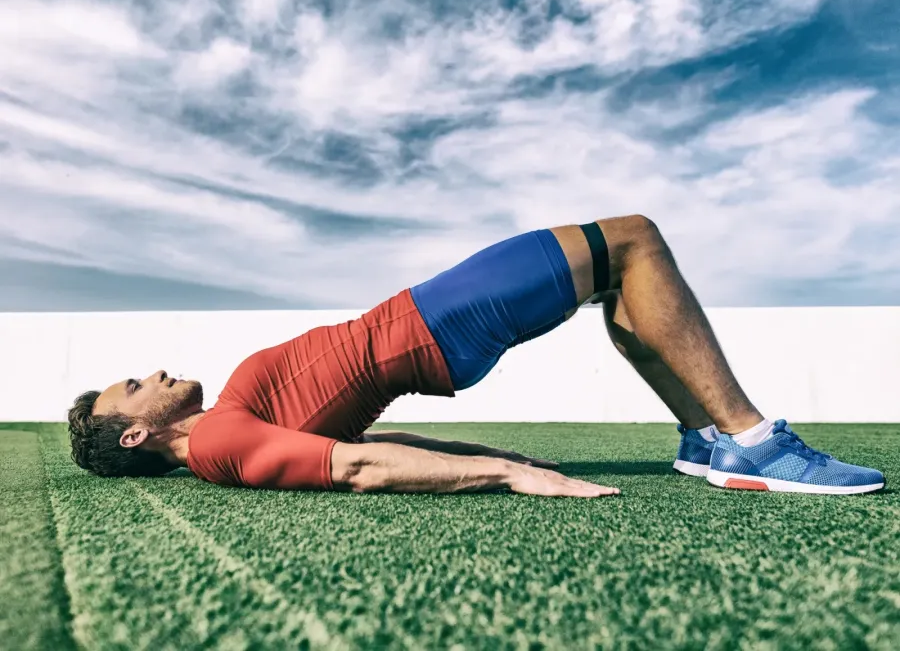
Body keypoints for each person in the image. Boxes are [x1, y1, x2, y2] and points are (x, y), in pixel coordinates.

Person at [67, 216, 885, 496]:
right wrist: (508, 475)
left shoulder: (224, 427)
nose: (156, 373)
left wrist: (486, 450)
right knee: (632, 240)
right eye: (135, 386)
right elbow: (357, 467)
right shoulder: (215, 444)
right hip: (432, 323)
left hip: (425, 321)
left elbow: (368, 446)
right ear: (134, 433)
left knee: (622, 276)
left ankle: (705, 440)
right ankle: (751, 439)